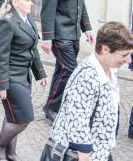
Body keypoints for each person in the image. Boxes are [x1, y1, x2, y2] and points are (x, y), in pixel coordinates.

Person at [41, 22, 133, 161]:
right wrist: (84, 154)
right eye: (124, 54)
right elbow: (77, 118)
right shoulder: (87, 75)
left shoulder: (110, 70)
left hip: (101, 151)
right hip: (82, 155)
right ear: (105, 49)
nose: (129, 59)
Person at [0, 0, 48, 161]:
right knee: (24, 118)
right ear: (16, 2)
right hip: (11, 77)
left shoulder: (28, 18)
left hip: (24, 76)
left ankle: (10, 152)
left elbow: (33, 49)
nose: (31, 2)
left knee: (13, 115)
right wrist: (1, 83)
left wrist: (41, 73)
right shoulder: (7, 22)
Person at [41, 0, 94, 121]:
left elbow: (81, 5)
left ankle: (52, 105)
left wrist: (87, 28)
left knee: (61, 71)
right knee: (70, 70)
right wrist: (47, 38)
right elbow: (47, 11)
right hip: (60, 36)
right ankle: (52, 107)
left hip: (74, 35)